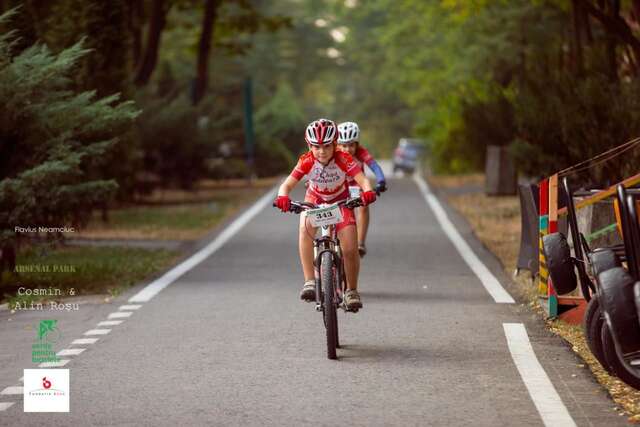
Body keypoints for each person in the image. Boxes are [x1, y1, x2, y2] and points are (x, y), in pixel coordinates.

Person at [274, 119, 377, 310]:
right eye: (317, 147)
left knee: (349, 248)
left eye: (327, 146)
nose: (322, 151)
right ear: (309, 146)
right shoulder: (306, 161)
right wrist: (283, 196)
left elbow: (362, 179)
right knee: (304, 228)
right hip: (315, 199)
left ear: (335, 144)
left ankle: (351, 291)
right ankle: (309, 281)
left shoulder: (344, 159)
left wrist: (368, 191)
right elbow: (287, 184)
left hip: (340, 200)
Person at [336, 121, 387, 257]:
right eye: (343, 145)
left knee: (364, 205)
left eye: (351, 145)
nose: (347, 149)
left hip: (356, 185)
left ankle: (360, 242)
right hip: (339, 186)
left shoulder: (361, 152)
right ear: (337, 144)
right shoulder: (333, 153)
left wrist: (381, 181)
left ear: (357, 144)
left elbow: (374, 166)